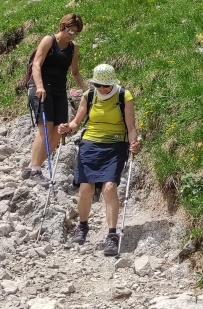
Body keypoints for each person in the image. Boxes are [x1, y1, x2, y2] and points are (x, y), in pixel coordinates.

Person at [59, 62, 139, 257]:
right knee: (86, 188)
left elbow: (131, 127)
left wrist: (134, 143)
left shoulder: (124, 96)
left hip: (115, 145)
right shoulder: (89, 95)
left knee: (109, 188)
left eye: (106, 85)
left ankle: (112, 235)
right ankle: (82, 226)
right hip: (90, 144)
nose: (102, 88)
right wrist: (67, 128)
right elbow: (77, 122)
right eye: (98, 85)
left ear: (113, 83)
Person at [26, 14, 85, 176]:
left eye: (75, 33)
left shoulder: (73, 47)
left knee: (59, 131)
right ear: (62, 26)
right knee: (46, 126)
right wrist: (39, 86)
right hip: (41, 87)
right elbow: (36, 64)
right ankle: (35, 168)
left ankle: (35, 165)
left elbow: (75, 72)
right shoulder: (49, 40)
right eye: (70, 31)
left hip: (59, 90)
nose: (72, 35)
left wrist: (85, 89)